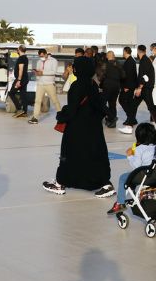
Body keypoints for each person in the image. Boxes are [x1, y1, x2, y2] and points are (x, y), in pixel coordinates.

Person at [42, 57, 115, 197]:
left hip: (77, 129)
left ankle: (60, 183)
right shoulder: (93, 84)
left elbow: (72, 109)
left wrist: (61, 115)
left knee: (70, 154)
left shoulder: (77, 85)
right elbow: (100, 106)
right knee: (95, 154)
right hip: (94, 129)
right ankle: (105, 184)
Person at [106, 123, 156, 214]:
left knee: (123, 177)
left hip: (145, 175)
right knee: (130, 175)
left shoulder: (139, 149)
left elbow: (137, 167)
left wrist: (130, 155)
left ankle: (120, 203)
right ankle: (133, 191)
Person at [28, 48, 61, 125]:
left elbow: (54, 72)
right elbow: (39, 71)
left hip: (50, 83)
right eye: (40, 56)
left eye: (42, 56)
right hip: (40, 84)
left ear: (46, 54)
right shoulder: (39, 61)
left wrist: (42, 73)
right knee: (37, 101)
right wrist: (37, 73)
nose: (41, 57)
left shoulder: (53, 61)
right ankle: (35, 118)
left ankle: (61, 117)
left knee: (55, 101)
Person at [134, 45, 156, 128]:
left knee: (151, 107)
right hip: (145, 88)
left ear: (138, 51)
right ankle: (130, 122)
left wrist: (139, 88)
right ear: (145, 51)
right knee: (134, 105)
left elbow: (145, 76)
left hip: (145, 88)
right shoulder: (145, 60)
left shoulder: (144, 61)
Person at [118, 47, 139, 134]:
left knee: (122, 100)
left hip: (128, 86)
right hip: (129, 86)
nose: (122, 53)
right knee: (128, 102)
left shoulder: (130, 61)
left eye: (123, 52)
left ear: (126, 52)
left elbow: (130, 75)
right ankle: (131, 118)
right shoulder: (131, 60)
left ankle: (131, 118)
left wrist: (127, 86)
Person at [102, 51, 122, 128]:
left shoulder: (105, 64)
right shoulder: (118, 64)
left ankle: (111, 117)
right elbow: (123, 75)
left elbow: (101, 75)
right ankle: (112, 122)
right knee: (112, 104)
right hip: (116, 86)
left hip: (107, 86)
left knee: (102, 103)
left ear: (107, 56)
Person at [8, 44, 29, 117]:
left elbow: (21, 69)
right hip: (25, 78)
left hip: (21, 79)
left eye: (17, 49)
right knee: (23, 95)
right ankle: (25, 112)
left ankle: (19, 109)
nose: (17, 50)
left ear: (19, 50)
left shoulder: (21, 58)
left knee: (11, 93)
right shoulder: (25, 57)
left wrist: (19, 80)